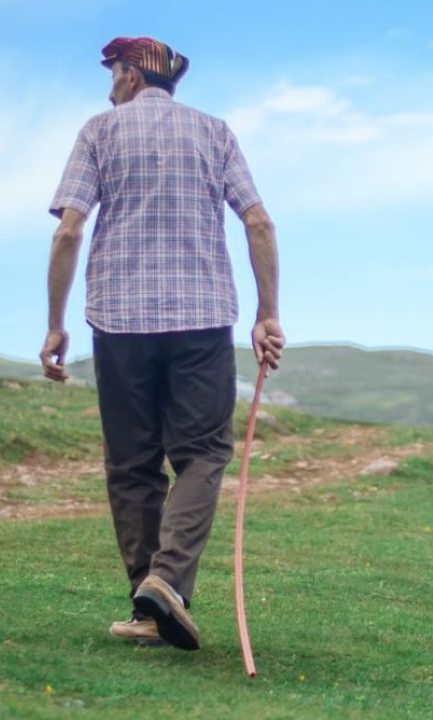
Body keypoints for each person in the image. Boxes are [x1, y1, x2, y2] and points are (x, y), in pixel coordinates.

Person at [40, 36, 284, 650]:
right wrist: (268, 315)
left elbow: (69, 230)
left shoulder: (99, 131)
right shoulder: (215, 132)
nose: (108, 88)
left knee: (132, 465)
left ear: (128, 76)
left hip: (118, 322)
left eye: (112, 75)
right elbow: (258, 220)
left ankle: (152, 601)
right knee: (202, 454)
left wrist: (55, 323)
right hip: (201, 320)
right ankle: (165, 587)